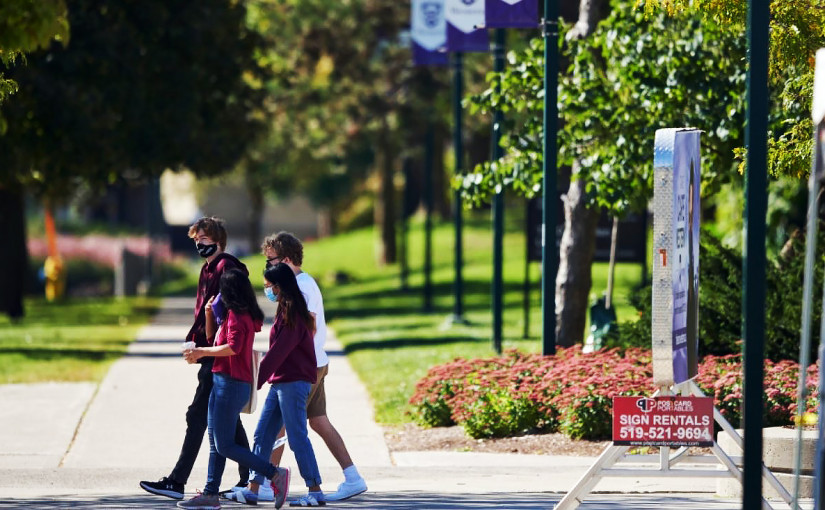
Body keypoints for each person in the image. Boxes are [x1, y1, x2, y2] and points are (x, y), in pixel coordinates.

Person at [230, 232, 366, 503]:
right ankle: (351, 477)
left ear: (288, 259)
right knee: (305, 424)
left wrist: (256, 377)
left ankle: (293, 487)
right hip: (305, 366)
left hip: (302, 369)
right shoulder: (298, 288)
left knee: (290, 432)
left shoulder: (299, 290)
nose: (268, 268)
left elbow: (296, 336)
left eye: (272, 262)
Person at [140, 217, 251, 500]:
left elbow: (227, 313)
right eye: (196, 240)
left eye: (203, 239)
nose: (199, 244)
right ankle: (250, 479)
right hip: (207, 353)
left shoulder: (228, 268)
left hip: (218, 354)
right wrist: (196, 342)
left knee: (197, 415)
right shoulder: (208, 269)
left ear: (217, 240)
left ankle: (177, 482)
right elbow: (205, 311)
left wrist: (207, 348)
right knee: (226, 419)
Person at [177, 268, 290, 510]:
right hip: (221, 382)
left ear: (229, 291)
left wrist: (201, 353)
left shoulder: (239, 316)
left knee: (225, 445)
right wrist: (208, 314)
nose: (217, 294)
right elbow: (213, 338)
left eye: (220, 290)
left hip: (232, 383)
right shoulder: (230, 314)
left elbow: (234, 347)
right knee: (215, 442)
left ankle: (274, 473)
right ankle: (210, 493)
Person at [244, 263, 325, 507]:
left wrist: (254, 381)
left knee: (297, 437)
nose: (267, 290)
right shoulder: (285, 309)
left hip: (293, 383)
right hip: (281, 382)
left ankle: (315, 489)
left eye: (269, 286)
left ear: (280, 286)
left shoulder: (293, 312)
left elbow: (279, 352)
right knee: (263, 434)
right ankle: (253, 489)